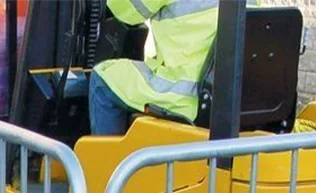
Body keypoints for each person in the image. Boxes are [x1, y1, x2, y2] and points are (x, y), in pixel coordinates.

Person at [89, 0, 226, 136]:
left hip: (184, 93)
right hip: (222, 91)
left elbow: (125, 11)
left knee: (102, 78)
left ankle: (108, 151)